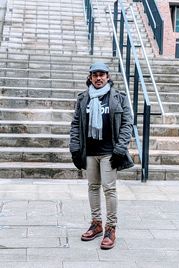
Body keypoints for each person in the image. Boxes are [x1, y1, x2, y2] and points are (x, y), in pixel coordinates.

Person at [69, 62, 134, 250]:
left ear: (108, 77)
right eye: (95, 75)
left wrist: (120, 149)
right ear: (90, 77)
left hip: (109, 152)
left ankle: (110, 228)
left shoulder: (118, 98)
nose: (98, 78)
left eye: (102, 75)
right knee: (93, 187)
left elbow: (126, 125)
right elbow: (75, 125)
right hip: (89, 151)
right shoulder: (83, 99)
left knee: (109, 189)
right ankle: (96, 223)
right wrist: (75, 148)